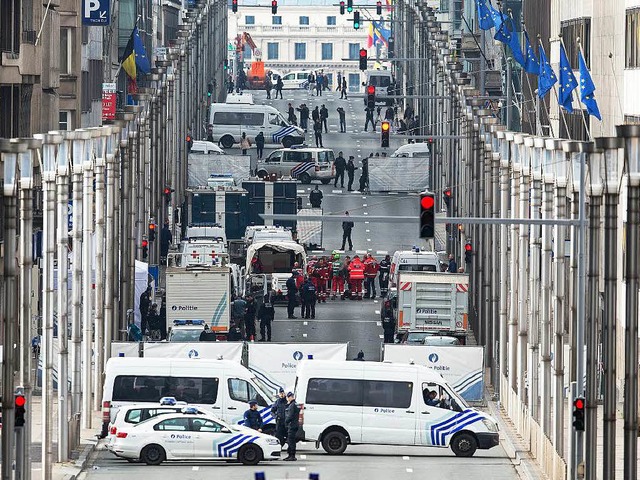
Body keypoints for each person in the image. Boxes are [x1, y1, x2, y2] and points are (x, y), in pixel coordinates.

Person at [284, 392, 300, 461]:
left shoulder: (292, 405)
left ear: (291, 397)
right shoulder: (295, 404)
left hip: (292, 424)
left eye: (288, 397)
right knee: (291, 440)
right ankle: (290, 455)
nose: (287, 399)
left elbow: (290, 416)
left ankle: (292, 456)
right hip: (295, 424)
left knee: (291, 441)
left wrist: (286, 421)